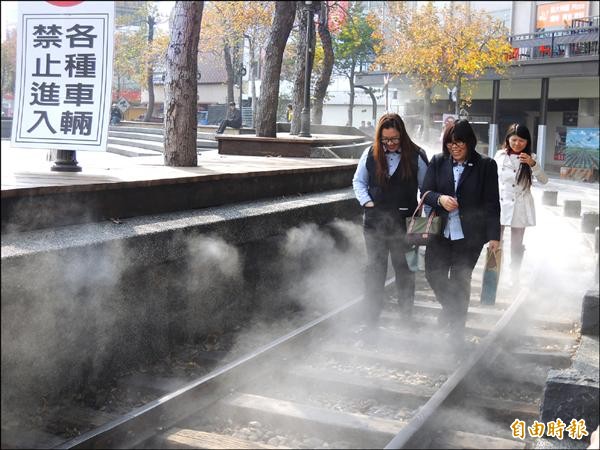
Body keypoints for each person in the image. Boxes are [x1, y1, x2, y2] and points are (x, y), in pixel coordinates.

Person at [421, 119, 500, 344]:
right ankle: (450, 310)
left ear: (469, 142)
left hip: (470, 236)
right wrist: (440, 199)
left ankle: (456, 333)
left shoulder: (486, 165)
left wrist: (494, 236)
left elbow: (492, 203)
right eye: (450, 143)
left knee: (460, 281)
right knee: (432, 274)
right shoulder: (437, 161)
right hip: (440, 232)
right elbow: (425, 192)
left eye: (459, 143)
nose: (454, 147)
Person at [352, 113, 429, 330]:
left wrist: (425, 226)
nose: (391, 144)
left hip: (407, 224)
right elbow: (358, 181)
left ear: (402, 135)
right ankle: (371, 321)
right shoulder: (370, 153)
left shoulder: (417, 155)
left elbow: (427, 191)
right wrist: (367, 202)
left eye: (395, 139)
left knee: (406, 271)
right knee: (375, 271)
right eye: (386, 140)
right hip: (375, 223)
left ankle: (406, 319)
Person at [494, 123, 548, 285]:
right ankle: (494, 272)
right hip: (500, 203)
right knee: (496, 240)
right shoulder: (499, 155)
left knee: (517, 244)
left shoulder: (532, 157)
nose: (517, 144)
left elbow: (544, 181)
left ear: (527, 142)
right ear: (508, 139)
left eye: (522, 141)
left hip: (520, 204)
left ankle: (514, 274)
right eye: (514, 140)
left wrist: (532, 164)